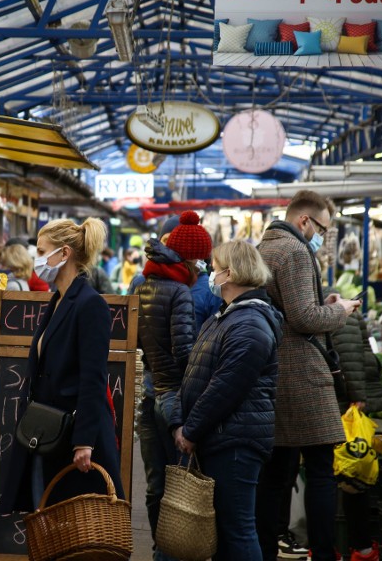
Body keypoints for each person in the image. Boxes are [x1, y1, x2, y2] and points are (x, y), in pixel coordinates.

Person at [256, 190, 362, 561]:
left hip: (273, 372)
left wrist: (323, 304)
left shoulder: (264, 246)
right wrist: (342, 310)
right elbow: (304, 319)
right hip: (302, 374)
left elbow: (292, 309)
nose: (322, 237)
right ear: (305, 220)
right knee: (319, 470)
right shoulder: (296, 251)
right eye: (322, 228)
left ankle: (266, 551)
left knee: (276, 474)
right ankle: (322, 551)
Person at [1, 217, 123, 514]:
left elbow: (93, 378)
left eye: (42, 252)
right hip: (46, 430)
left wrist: (84, 441)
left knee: (70, 528)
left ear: (64, 253)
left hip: (69, 437)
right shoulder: (57, 300)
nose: (37, 260)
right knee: (47, 519)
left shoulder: (89, 303)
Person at [171, 240, 282, 561]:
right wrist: (181, 421)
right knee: (225, 533)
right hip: (219, 437)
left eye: (214, 267)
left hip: (235, 443)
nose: (210, 273)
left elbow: (225, 387)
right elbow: (194, 373)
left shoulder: (249, 324)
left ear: (229, 273)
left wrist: (190, 430)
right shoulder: (226, 316)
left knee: (238, 531)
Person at [135, 211, 211, 561]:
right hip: (177, 396)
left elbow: (133, 339)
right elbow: (186, 350)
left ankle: (160, 548)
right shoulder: (184, 289)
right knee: (180, 484)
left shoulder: (142, 282)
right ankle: (170, 552)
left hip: (150, 393)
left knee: (156, 485)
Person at [326, 287, 382, 561]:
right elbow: (357, 355)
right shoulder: (341, 309)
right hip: (346, 404)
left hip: (340, 405)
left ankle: (334, 545)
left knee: (339, 476)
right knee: (352, 478)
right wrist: (359, 397)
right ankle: (359, 546)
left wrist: (357, 398)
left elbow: (351, 355)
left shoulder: (328, 309)